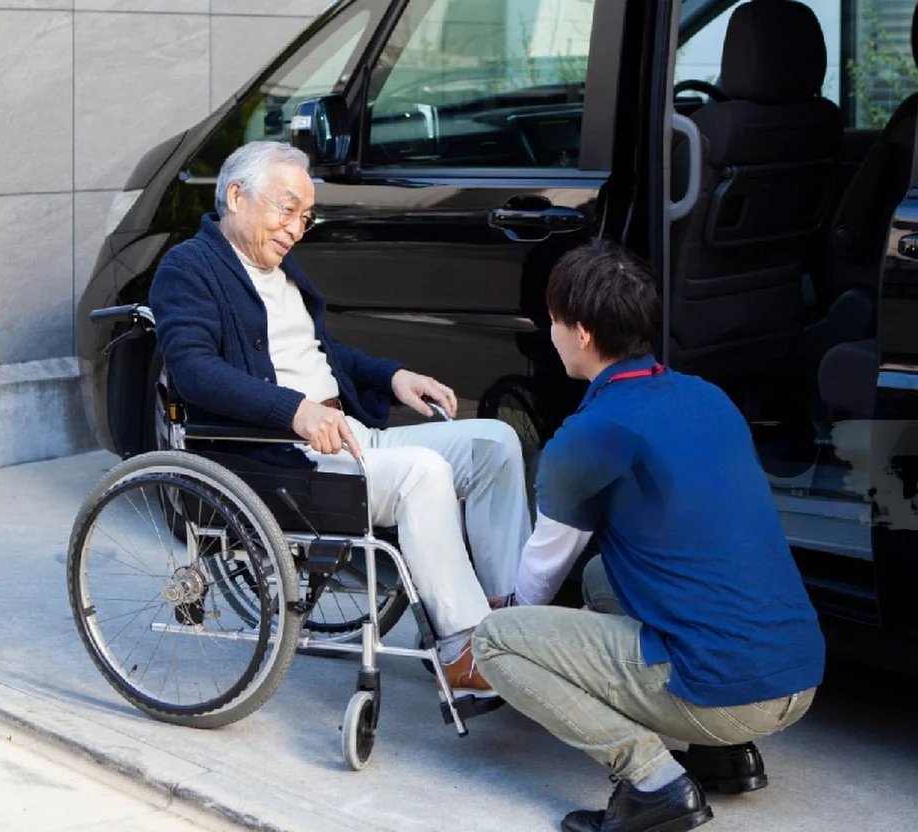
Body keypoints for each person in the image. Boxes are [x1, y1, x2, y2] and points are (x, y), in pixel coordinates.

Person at [149, 140, 531, 694]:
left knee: (494, 442)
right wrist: (294, 411)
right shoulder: (189, 268)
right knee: (424, 472)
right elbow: (194, 370)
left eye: (305, 216)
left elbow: (325, 350)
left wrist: (394, 376)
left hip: (347, 438)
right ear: (236, 196)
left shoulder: (282, 271)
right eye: (286, 209)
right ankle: (463, 645)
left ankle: (504, 616)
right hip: (279, 460)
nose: (296, 228)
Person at [472, 240, 824, 832]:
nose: (550, 333)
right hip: (797, 674)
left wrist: (505, 616)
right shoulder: (706, 397)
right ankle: (726, 759)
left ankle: (655, 785)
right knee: (601, 576)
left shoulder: (591, 432)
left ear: (580, 333)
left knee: (498, 640)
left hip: (725, 693)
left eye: (552, 321)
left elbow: (539, 574)